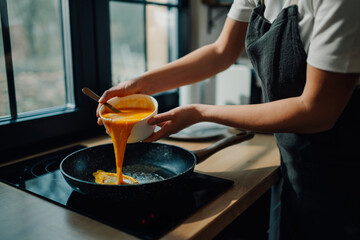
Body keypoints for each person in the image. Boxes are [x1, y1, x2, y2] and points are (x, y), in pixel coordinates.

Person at [97, 0, 360, 239]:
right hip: (297, 165)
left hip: (346, 174)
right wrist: (141, 84)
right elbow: (221, 52)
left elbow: (317, 111)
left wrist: (200, 113)